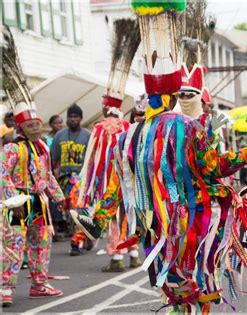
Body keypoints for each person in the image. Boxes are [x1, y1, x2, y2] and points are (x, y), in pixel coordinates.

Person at [71, 1, 247, 312]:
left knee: (178, 294)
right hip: (200, 222)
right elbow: (215, 167)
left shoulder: (128, 137)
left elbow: (119, 187)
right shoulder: (189, 128)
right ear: (173, 93)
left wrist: (98, 220)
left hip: (160, 232)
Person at [1, 27, 65, 306]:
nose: (37, 131)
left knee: (42, 244)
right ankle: (6, 289)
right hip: (19, 203)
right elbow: (2, 175)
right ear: (21, 127)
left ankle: (39, 284)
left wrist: (61, 198)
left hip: (39, 203)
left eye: (38, 127)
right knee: (13, 246)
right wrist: (11, 200)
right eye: (31, 127)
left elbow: (48, 175)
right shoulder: (11, 148)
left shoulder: (42, 148)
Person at [74, 17, 141, 272]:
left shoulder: (100, 128)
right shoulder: (127, 126)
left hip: (108, 182)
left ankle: (116, 258)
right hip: (129, 181)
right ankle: (134, 252)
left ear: (105, 107)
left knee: (113, 218)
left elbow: (91, 163)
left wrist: (88, 187)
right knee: (129, 215)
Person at [51, 104, 91, 255]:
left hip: (82, 180)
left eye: (76, 117)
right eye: (70, 116)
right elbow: (54, 161)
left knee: (78, 211)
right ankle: (84, 235)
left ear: (81, 119)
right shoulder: (59, 136)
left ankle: (76, 243)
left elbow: (93, 160)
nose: (73, 119)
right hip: (64, 181)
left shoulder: (88, 136)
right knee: (69, 214)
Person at [44, 115, 65, 242]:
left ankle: (60, 227)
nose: (59, 125)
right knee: (51, 202)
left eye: (60, 123)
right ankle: (54, 230)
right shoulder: (46, 139)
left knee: (60, 201)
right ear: (51, 124)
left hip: (60, 171)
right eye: (56, 123)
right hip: (50, 170)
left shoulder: (63, 136)